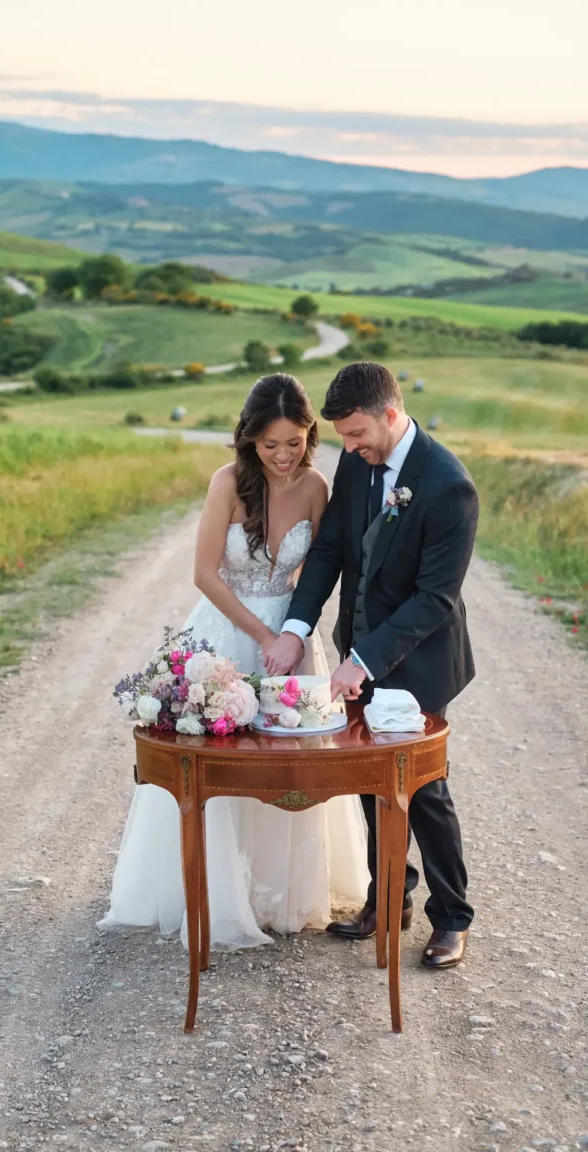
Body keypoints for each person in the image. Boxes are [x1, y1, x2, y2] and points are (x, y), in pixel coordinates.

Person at [100, 373, 368, 949]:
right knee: (220, 758)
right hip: (228, 632)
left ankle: (281, 892)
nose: (281, 455)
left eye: (293, 443)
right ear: (248, 439)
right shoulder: (227, 482)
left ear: (309, 435)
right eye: (269, 444)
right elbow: (204, 574)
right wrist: (263, 634)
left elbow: (319, 571)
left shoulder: (318, 487)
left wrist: (292, 636)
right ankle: (217, 893)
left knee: (291, 763)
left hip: (293, 642)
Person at [266, 361, 477, 969]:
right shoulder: (358, 465)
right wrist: (295, 627)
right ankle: (389, 899)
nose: (350, 448)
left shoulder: (448, 485)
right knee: (366, 777)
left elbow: (434, 599)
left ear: (390, 413)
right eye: (343, 438)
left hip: (421, 659)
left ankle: (453, 917)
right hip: (360, 649)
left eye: (357, 434)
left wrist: (364, 660)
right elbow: (331, 549)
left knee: (422, 787)